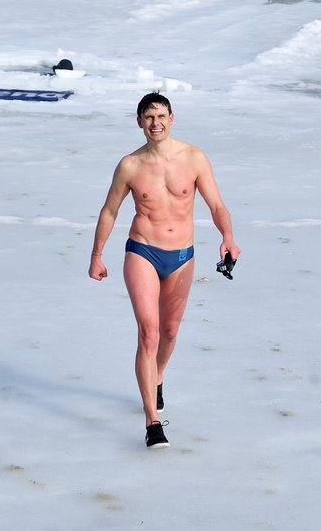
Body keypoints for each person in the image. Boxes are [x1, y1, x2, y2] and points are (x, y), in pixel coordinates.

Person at [89, 92, 240, 449]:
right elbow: (109, 211)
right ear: (138, 121)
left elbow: (216, 204)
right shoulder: (130, 165)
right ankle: (152, 422)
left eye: (160, 116)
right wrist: (97, 254)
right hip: (142, 250)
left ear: (172, 118)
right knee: (149, 332)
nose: (154, 123)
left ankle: (157, 378)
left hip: (182, 256)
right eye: (148, 117)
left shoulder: (193, 157)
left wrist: (228, 236)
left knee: (170, 331)